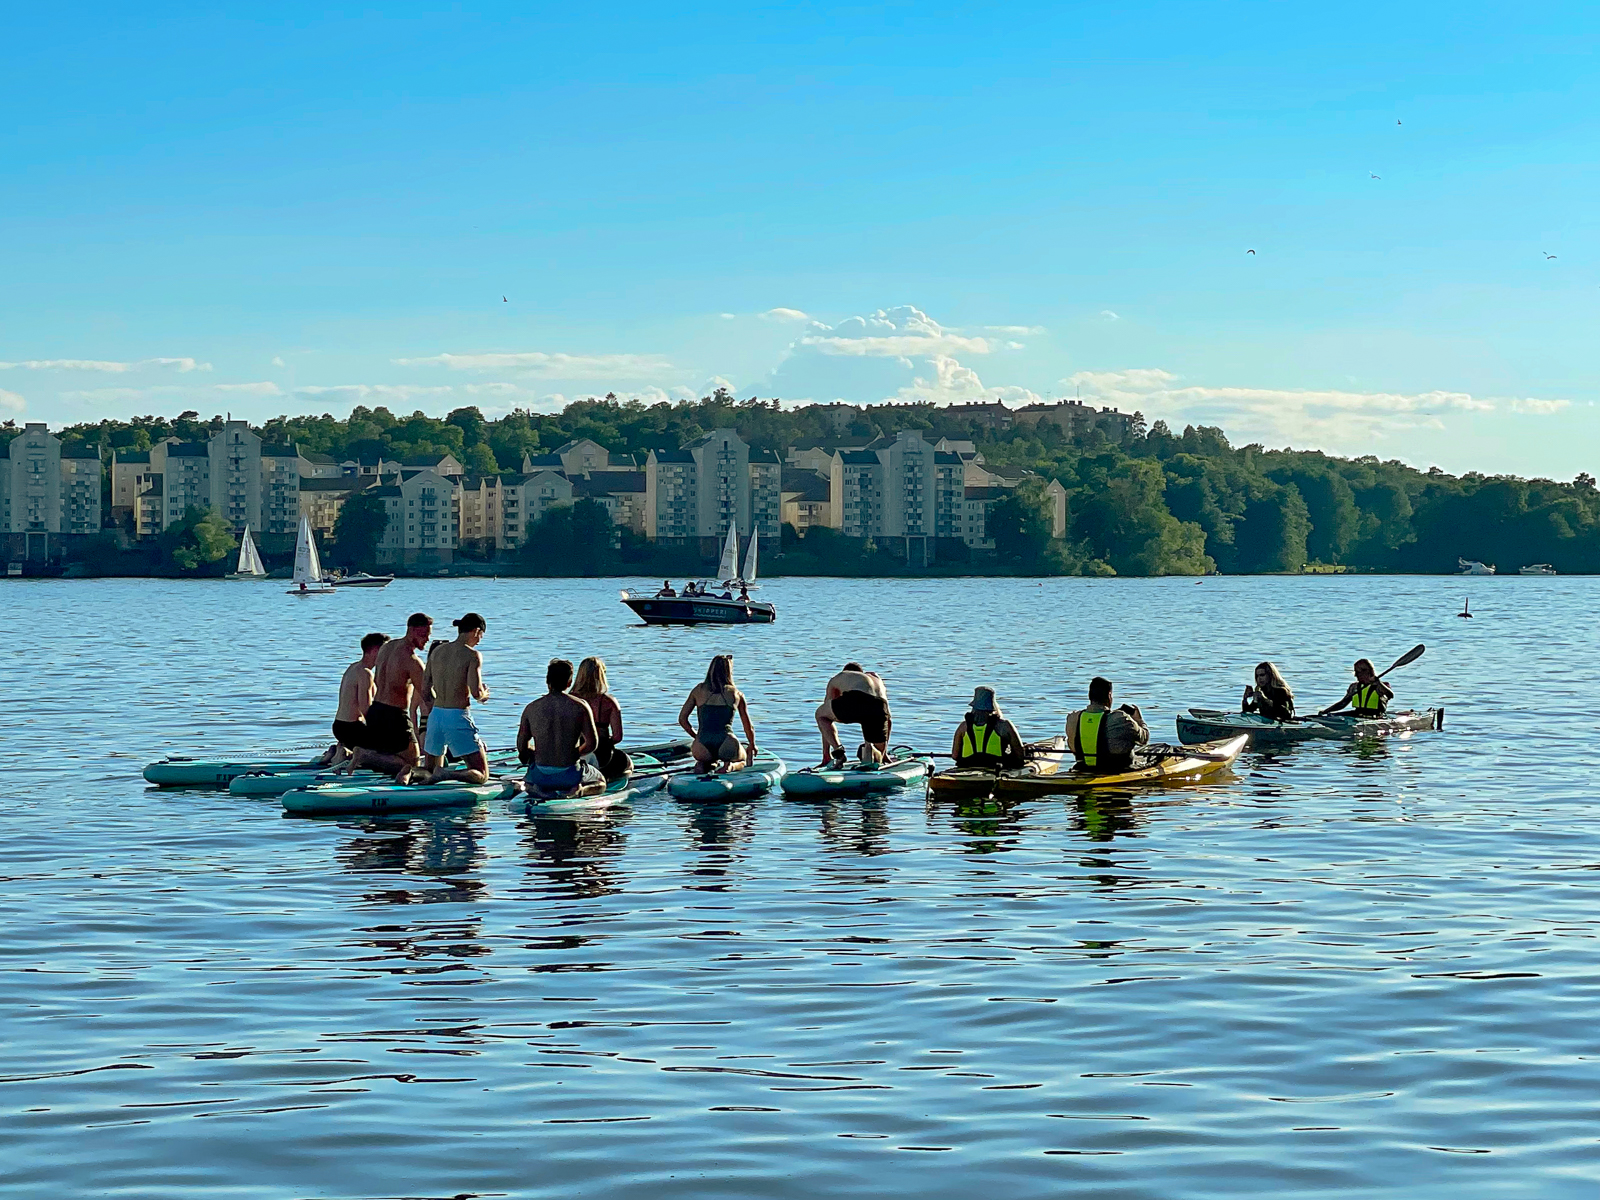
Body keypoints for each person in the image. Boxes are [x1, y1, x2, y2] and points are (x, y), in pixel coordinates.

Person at [350, 612, 432, 782]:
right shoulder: (413, 661)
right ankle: (366, 756)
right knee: (412, 763)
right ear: (411, 630)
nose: (427, 639)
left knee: (391, 755)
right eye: (423, 635)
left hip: (376, 710)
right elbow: (427, 696)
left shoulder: (386, 647)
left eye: (429, 635)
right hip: (395, 715)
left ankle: (368, 757)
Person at [419, 613, 492, 784]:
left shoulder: (437, 651)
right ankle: (447, 775)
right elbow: (476, 692)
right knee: (482, 775)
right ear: (476, 631)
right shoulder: (472, 655)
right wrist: (484, 695)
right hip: (457, 715)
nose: (480, 640)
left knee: (429, 771)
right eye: (481, 635)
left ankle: (408, 772)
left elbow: (424, 689)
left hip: (436, 715)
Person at [518, 658, 603, 795]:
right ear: (569, 683)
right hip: (570, 772)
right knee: (601, 782)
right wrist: (574, 753)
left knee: (527, 782)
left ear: (547, 680)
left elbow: (522, 746)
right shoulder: (580, 706)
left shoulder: (531, 708)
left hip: (541, 773)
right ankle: (578, 790)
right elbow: (592, 743)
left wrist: (538, 753)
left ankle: (535, 789)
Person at [678, 654, 757, 773]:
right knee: (743, 760)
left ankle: (702, 765)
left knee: (703, 762)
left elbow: (682, 719)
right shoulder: (736, 694)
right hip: (727, 742)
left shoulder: (698, 690)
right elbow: (748, 726)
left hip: (701, 745)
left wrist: (696, 736)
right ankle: (729, 766)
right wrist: (752, 744)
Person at [320, 632, 388, 766]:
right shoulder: (365, 673)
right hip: (352, 728)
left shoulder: (353, 667)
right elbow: (365, 708)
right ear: (376, 650)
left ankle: (336, 751)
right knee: (386, 749)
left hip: (339, 725)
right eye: (385, 651)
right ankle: (344, 755)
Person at [1065, 676, 1149, 774]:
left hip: (1083, 767)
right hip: (1116, 769)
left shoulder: (1073, 718)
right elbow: (1144, 739)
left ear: (1089, 696)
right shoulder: (1121, 718)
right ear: (1109, 696)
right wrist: (1138, 720)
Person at [815, 662, 893, 768]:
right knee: (877, 752)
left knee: (821, 715)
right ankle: (875, 755)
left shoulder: (841, 677)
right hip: (880, 707)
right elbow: (888, 719)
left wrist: (825, 755)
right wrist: (884, 752)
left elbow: (827, 710)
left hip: (857, 699)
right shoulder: (875, 678)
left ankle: (837, 753)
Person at [573, 656, 632, 782]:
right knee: (628, 765)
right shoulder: (609, 702)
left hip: (573, 752)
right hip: (601, 755)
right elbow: (617, 737)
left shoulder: (568, 700)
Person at [950, 686, 1026, 770]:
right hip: (995, 768)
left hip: (967, 767)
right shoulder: (1005, 725)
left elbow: (955, 755)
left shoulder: (963, 727)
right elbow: (1020, 755)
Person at [1317, 658, 1393, 717]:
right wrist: (1326, 711)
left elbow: (1390, 695)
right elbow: (1343, 703)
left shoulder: (1381, 686)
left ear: (1367, 672)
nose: (1355, 675)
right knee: (1330, 716)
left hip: (1376, 717)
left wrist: (1378, 682)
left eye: (1358, 672)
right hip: (1357, 715)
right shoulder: (1354, 687)